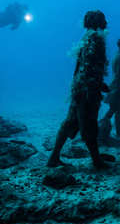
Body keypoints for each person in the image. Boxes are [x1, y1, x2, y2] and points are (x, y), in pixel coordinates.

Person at [47, 10, 112, 169]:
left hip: (79, 87)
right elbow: (90, 66)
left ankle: (54, 157)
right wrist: (96, 85)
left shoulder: (86, 37)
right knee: (89, 123)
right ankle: (97, 161)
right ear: (97, 21)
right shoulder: (96, 38)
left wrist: (79, 85)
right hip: (87, 90)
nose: (106, 22)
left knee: (70, 121)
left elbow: (81, 66)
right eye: (103, 19)